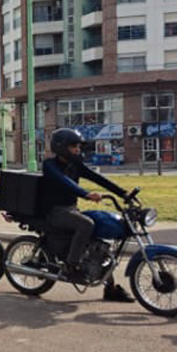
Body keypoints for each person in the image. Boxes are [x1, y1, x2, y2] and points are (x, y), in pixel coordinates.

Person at [41, 128, 134, 302]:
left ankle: (110, 288)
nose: (77, 149)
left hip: (71, 210)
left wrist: (123, 194)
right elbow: (65, 182)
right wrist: (85, 194)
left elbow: (97, 178)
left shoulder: (75, 165)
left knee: (100, 237)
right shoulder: (49, 165)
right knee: (86, 224)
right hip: (54, 211)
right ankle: (71, 266)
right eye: (73, 146)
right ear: (60, 147)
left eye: (78, 146)